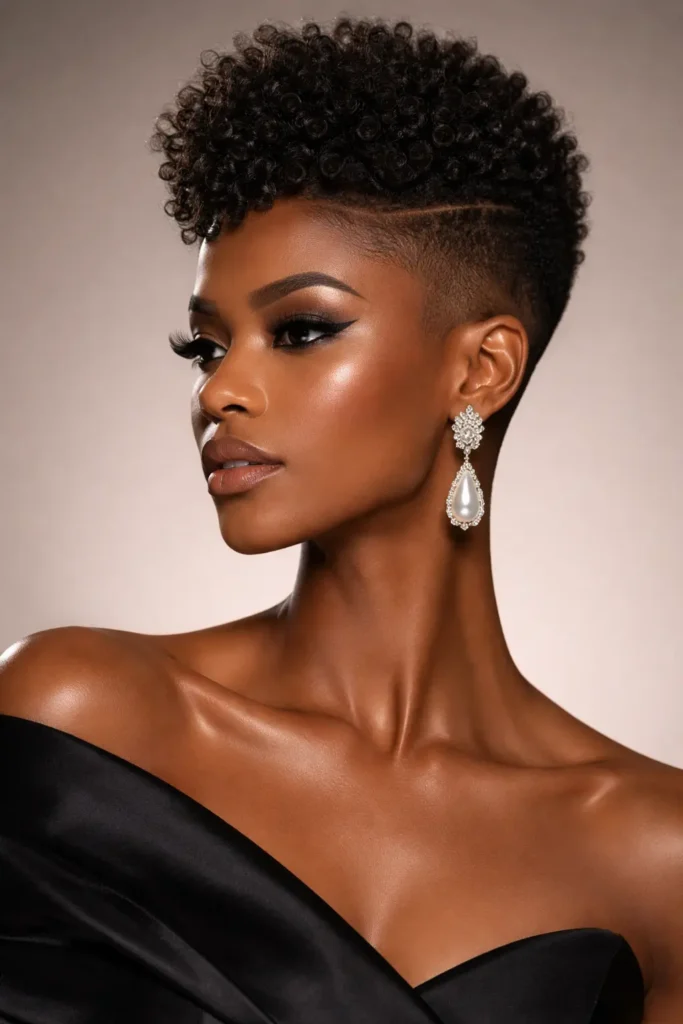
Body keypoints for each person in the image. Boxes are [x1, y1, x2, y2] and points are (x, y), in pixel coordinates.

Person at [0, 15, 680, 1023]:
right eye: (206, 346)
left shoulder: (653, 855)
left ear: (478, 369)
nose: (220, 390)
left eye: (300, 329)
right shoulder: (81, 720)